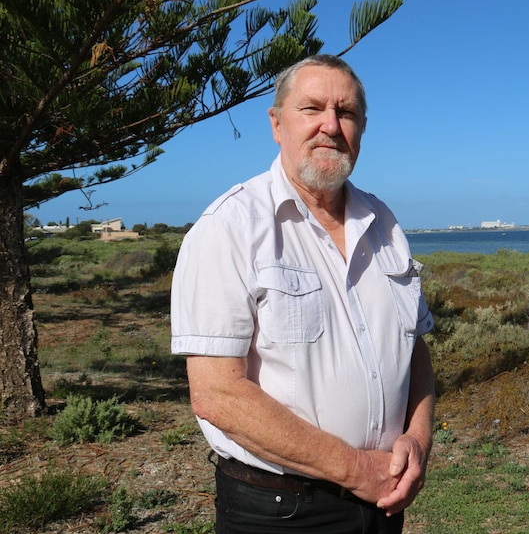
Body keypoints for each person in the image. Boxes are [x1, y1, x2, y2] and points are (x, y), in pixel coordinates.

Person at [171, 54, 436, 534]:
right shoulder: (230, 227)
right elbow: (216, 394)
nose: (330, 126)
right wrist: (356, 469)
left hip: (384, 501)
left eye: (347, 112)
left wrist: (417, 440)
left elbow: (414, 348)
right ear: (276, 124)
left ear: (362, 127)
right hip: (280, 511)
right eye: (311, 109)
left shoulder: (384, 224)